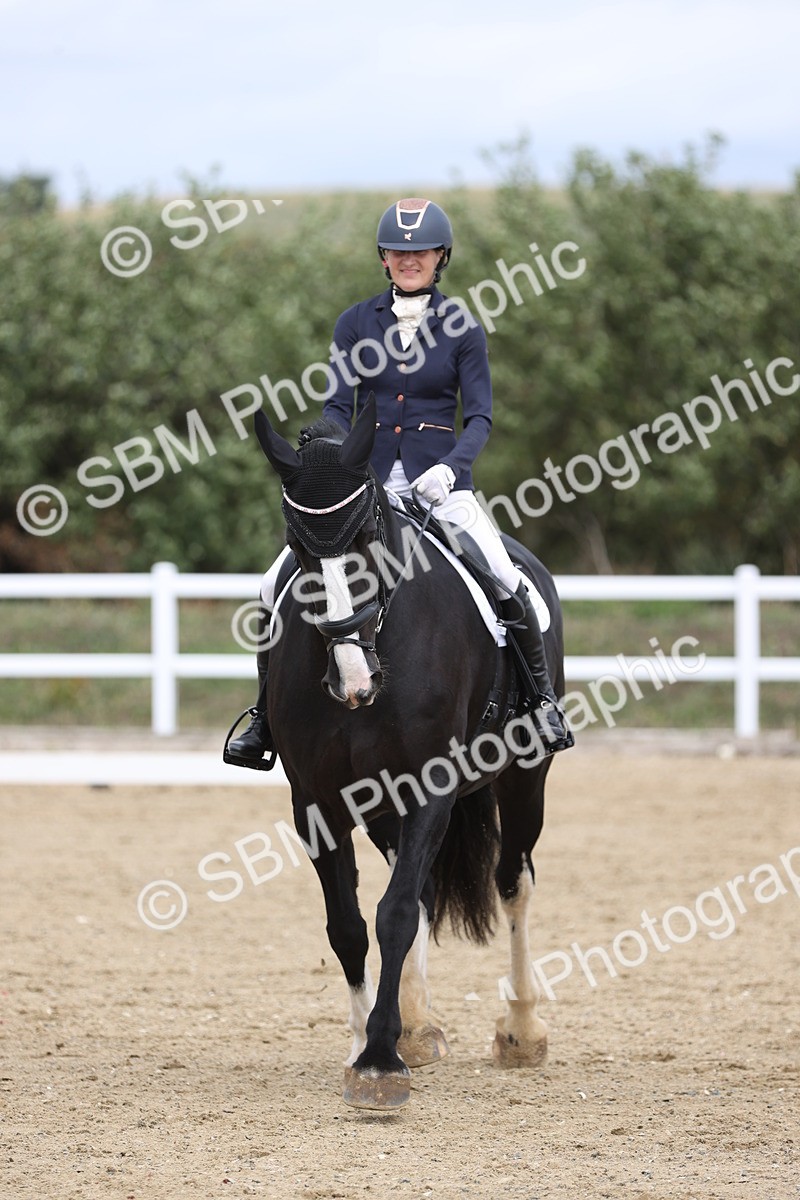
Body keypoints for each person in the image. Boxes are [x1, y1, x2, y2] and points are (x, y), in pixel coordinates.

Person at [225, 197, 571, 768]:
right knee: (272, 587)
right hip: (366, 487)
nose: (411, 259)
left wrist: (452, 469)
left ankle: (541, 704)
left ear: (441, 257)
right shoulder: (356, 322)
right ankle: (264, 717)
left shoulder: (462, 326)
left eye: (422, 251)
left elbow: (480, 416)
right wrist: (326, 452)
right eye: (399, 251)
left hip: (442, 484)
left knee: (508, 579)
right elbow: (338, 405)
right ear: (384, 258)